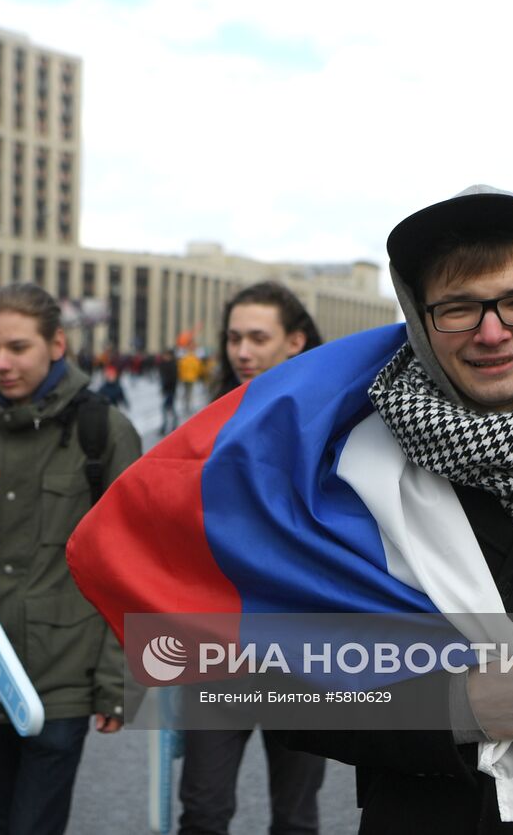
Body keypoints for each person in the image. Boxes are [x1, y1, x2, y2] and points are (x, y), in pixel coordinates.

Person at [68, 185, 513, 834]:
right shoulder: (347, 466)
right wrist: (450, 709)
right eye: (458, 306)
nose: (492, 329)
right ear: (420, 318)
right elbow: (280, 685)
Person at [0, 282, 141, 835]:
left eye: (18, 348)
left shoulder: (102, 431)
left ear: (56, 345)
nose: (1, 363)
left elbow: (127, 564)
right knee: (1, 822)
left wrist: (117, 681)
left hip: (62, 676)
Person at [179, 279, 326, 835]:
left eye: (257, 338)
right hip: (220, 651)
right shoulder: (203, 426)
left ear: (293, 341)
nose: (241, 351)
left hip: (303, 657)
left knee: (295, 818)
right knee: (204, 810)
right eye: (234, 337)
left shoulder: (334, 423)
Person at [158, 349, 179, 435]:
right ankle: (173, 425)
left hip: (170, 390)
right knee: (170, 408)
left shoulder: (172, 365)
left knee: (166, 408)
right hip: (167, 390)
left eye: (166, 355)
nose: (164, 357)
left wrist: (167, 387)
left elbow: (171, 379)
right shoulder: (165, 364)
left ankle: (166, 426)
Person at [177, 348, 203, 414]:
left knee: (185, 391)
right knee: (190, 392)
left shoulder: (184, 359)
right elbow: (197, 368)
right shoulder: (195, 359)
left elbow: (180, 368)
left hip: (184, 378)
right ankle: (188, 404)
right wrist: (197, 375)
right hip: (192, 378)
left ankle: (185, 404)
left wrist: (181, 376)